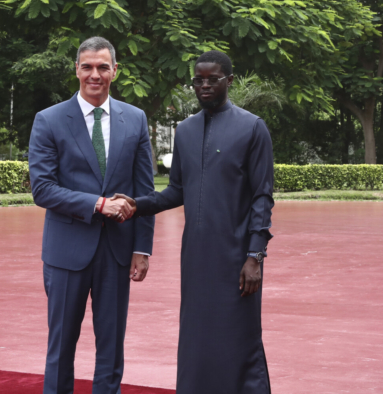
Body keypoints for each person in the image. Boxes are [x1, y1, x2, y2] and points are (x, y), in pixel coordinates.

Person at [114, 51, 274, 393]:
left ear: (229, 81)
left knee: (238, 337)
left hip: (237, 258)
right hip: (196, 258)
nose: (203, 85)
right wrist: (135, 205)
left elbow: (263, 196)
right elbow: (175, 192)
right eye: (197, 80)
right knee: (197, 337)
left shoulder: (253, 128)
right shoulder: (185, 130)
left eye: (211, 79)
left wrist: (255, 256)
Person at [28, 36, 155, 394]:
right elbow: (43, 189)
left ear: (115, 71)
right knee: (61, 347)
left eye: (102, 67)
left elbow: (144, 191)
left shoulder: (135, 119)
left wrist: (142, 248)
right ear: (77, 70)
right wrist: (98, 204)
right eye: (87, 67)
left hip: (118, 252)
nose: (94, 74)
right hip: (66, 252)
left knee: (111, 349)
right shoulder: (49, 120)